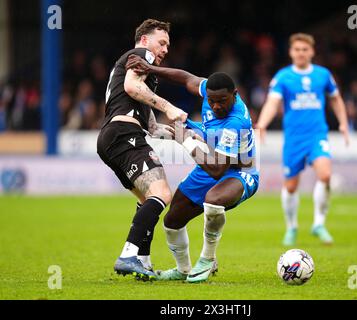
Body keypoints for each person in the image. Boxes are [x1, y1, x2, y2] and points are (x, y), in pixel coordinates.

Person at [126, 55, 259, 282]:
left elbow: (217, 170)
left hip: (238, 172)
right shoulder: (211, 90)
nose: (216, 106)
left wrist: (184, 139)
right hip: (210, 160)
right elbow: (187, 78)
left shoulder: (236, 122)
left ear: (235, 96)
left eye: (222, 101)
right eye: (212, 100)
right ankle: (183, 269)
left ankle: (207, 259)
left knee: (213, 200)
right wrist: (151, 69)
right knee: (172, 221)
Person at [96, 19, 188, 281]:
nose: (165, 49)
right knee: (162, 193)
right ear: (145, 40)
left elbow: (150, 125)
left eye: (168, 45)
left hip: (111, 137)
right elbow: (132, 87)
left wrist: (172, 133)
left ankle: (143, 263)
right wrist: (169, 107)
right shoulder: (141, 55)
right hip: (125, 134)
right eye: (162, 42)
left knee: (147, 198)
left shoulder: (135, 68)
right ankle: (128, 255)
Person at [255, 33, 349, 246]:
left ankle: (319, 224)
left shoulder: (323, 75)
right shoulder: (283, 77)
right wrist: (262, 123)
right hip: (294, 139)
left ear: (312, 52)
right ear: (291, 52)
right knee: (290, 186)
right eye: (297, 49)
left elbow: (336, 99)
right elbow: (272, 102)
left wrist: (343, 122)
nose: (301, 53)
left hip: (317, 135)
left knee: (325, 175)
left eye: (305, 49)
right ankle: (292, 227)